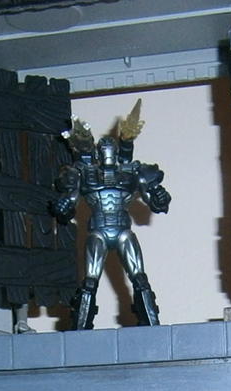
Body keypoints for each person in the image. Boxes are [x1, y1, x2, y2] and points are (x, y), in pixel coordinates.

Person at [51, 100, 170, 329]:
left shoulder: (131, 172)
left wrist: (159, 195)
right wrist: (64, 206)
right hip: (98, 231)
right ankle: (81, 327)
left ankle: (151, 322)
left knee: (139, 278)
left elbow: (154, 200)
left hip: (122, 230)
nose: (107, 154)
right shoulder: (85, 174)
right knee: (90, 281)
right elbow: (70, 201)